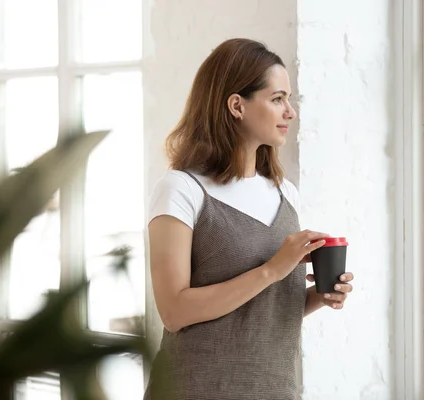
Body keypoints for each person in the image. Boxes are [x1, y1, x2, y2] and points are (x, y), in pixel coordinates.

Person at [143, 38, 355, 400]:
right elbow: (174, 312)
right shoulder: (181, 190)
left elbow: (256, 313)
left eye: (288, 99)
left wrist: (316, 297)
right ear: (237, 105)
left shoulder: (284, 192)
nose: (290, 111)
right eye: (277, 99)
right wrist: (273, 269)